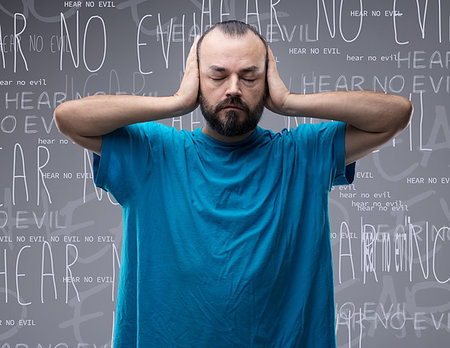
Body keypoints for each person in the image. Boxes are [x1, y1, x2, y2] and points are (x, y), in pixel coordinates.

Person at [54, 20, 412, 348]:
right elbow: (70, 119)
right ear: (197, 78)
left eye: (250, 76)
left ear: (268, 78)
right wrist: (177, 102)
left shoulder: (302, 155)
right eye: (218, 75)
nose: (233, 89)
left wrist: (288, 103)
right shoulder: (153, 154)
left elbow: (395, 114)